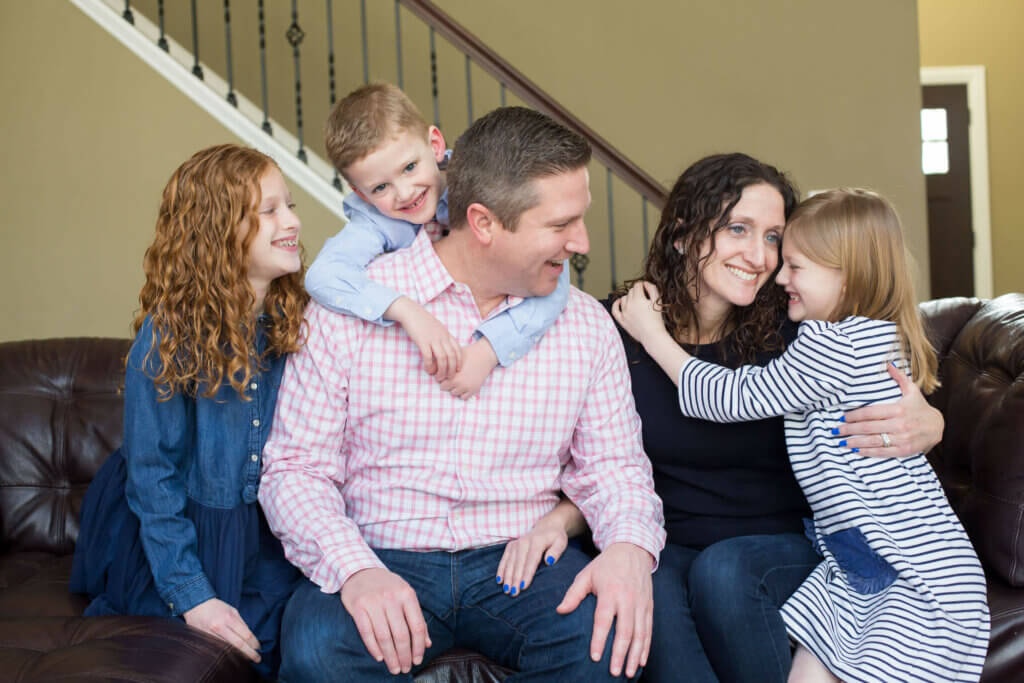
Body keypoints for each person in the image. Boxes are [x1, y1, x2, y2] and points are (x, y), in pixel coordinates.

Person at [258, 106, 666, 681]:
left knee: (606, 648)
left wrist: (628, 547)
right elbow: (294, 469)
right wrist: (355, 571)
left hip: (519, 561)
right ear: (483, 222)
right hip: (381, 550)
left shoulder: (583, 324)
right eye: (560, 225)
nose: (582, 243)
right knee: (318, 651)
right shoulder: (353, 308)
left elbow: (616, 468)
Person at [614, 188, 988, 682]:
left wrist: (651, 333)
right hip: (859, 564)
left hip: (912, 572)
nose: (779, 274)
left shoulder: (834, 346)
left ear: (848, 275)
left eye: (795, 265)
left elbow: (728, 398)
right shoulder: (866, 333)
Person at [70, 144, 309, 678]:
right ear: (219, 230)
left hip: (264, 533)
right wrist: (192, 595)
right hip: (179, 523)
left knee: (284, 642)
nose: (292, 221)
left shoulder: (297, 320)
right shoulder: (169, 337)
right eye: (269, 211)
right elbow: (154, 480)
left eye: (290, 205)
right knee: (224, 646)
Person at [306, 82, 570, 398]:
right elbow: (323, 275)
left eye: (409, 167)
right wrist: (405, 310)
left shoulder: (483, 183)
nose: (404, 193)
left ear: (434, 145)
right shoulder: (375, 220)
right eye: (380, 188)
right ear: (361, 194)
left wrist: (490, 351)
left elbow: (553, 270)